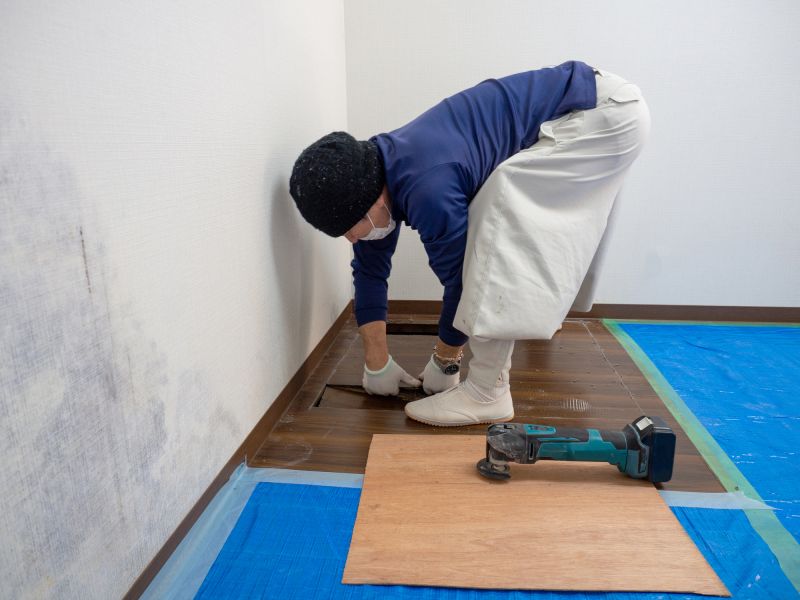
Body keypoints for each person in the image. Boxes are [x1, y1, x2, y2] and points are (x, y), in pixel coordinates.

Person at [289, 60, 650, 427]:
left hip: (603, 117)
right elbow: (368, 269)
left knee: (494, 225)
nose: (353, 239)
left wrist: (446, 358)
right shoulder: (375, 169)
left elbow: (466, 281)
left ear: (373, 201)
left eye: (352, 229)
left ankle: (487, 393)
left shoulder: (428, 188)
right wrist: (376, 362)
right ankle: (540, 325)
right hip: (596, 106)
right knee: (518, 218)